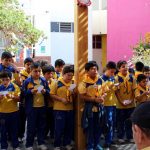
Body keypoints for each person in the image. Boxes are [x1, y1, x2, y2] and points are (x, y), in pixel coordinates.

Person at [78, 61, 106, 150]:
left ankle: (96, 145)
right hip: (90, 108)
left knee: (99, 127)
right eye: (92, 69)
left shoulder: (100, 80)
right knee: (90, 128)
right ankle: (90, 146)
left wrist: (102, 97)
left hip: (100, 107)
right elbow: (82, 96)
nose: (95, 71)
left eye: (96, 69)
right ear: (87, 71)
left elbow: (105, 91)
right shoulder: (84, 82)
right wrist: (94, 99)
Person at [22, 62, 50, 150]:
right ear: (30, 71)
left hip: (42, 107)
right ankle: (29, 145)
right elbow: (22, 94)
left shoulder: (43, 80)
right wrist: (30, 92)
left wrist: (45, 92)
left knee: (42, 126)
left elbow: (49, 92)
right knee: (31, 127)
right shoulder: (27, 81)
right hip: (32, 109)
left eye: (39, 71)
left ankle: (40, 143)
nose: (37, 73)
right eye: (35, 71)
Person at [50, 65, 75, 150]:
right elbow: (51, 94)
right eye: (68, 75)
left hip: (70, 109)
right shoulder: (56, 83)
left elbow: (75, 97)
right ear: (63, 74)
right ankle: (57, 145)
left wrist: (73, 94)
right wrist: (61, 99)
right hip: (59, 109)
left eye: (72, 75)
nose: (70, 77)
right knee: (59, 128)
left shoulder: (73, 83)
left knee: (69, 128)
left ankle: (66, 143)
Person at [115, 60, 136, 143]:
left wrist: (131, 100)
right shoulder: (116, 78)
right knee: (120, 121)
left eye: (126, 66)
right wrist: (121, 101)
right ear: (119, 69)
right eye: (123, 67)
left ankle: (130, 136)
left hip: (131, 104)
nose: (125, 68)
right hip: (120, 105)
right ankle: (120, 137)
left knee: (130, 121)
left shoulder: (132, 77)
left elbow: (134, 90)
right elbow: (116, 92)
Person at [0, 71, 21, 150]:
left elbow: (19, 99)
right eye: (3, 79)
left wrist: (12, 96)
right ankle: (3, 146)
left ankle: (15, 145)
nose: (5, 81)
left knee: (14, 130)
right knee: (3, 131)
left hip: (14, 112)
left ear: (11, 79)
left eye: (7, 79)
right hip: (2, 113)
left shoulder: (15, 87)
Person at [101, 61, 117, 149]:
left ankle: (110, 139)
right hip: (106, 104)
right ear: (106, 69)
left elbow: (113, 90)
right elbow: (101, 91)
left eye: (114, 72)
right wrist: (109, 87)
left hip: (113, 103)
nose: (113, 73)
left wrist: (115, 87)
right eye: (111, 71)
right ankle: (107, 142)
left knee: (113, 123)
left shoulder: (112, 78)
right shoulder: (101, 79)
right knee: (108, 123)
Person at [18, 57, 34, 142]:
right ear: (24, 65)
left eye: (30, 64)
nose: (29, 66)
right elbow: (23, 84)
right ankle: (20, 135)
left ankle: (32, 136)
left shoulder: (35, 73)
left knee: (31, 120)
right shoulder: (22, 73)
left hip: (32, 100)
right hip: (24, 99)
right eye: (27, 64)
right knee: (22, 119)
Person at [42, 65, 55, 140]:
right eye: (48, 73)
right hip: (44, 106)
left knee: (53, 122)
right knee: (44, 123)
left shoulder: (55, 82)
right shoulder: (41, 82)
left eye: (51, 73)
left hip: (53, 106)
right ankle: (43, 137)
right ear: (44, 74)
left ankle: (53, 136)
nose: (50, 75)